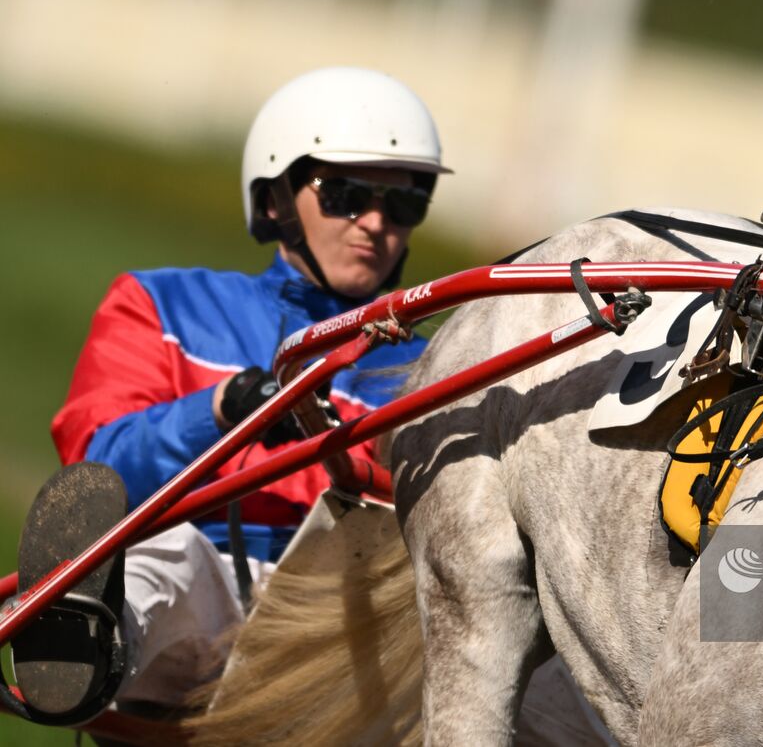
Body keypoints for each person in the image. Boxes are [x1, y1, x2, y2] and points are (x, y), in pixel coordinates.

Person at [13, 66, 450, 723]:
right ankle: (84, 644)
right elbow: (97, 467)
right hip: (203, 587)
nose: (374, 223)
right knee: (169, 554)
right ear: (275, 199)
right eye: (345, 194)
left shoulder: (436, 367)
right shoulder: (161, 305)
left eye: (404, 203)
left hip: (348, 621)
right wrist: (221, 409)